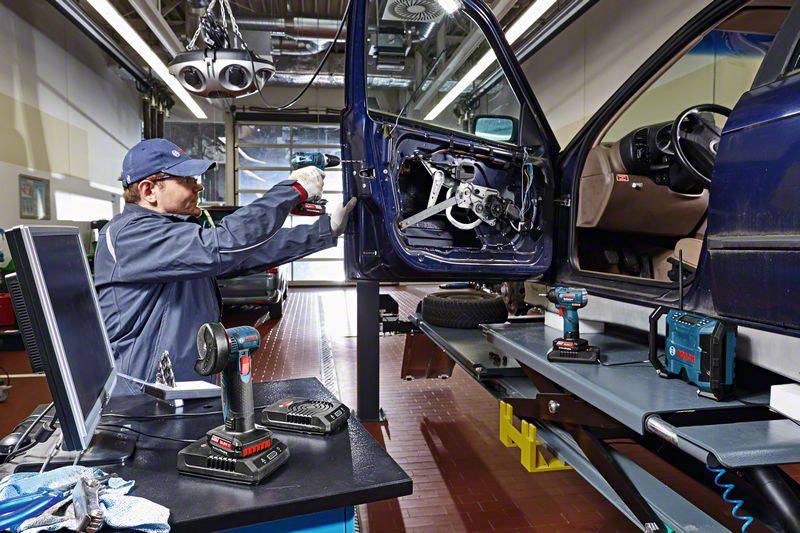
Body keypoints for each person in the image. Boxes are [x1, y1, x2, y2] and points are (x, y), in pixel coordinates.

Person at [94, 138, 355, 395]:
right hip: (142, 394)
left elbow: (246, 255)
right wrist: (292, 190)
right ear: (148, 190)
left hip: (180, 385)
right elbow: (224, 243)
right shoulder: (128, 235)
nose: (198, 187)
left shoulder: (170, 232)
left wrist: (325, 229)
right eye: (185, 179)